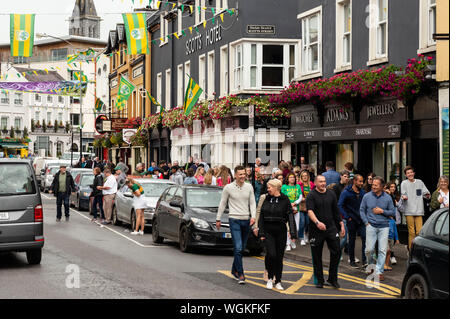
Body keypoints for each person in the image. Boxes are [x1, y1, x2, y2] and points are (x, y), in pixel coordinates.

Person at [216, 166, 256, 285]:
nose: (243, 176)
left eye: (244, 174)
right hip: (234, 220)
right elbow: (222, 203)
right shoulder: (228, 188)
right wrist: (218, 218)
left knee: (242, 248)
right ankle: (241, 274)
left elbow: (253, 203)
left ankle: (234, 270)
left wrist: (253, 216)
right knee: (238, 248)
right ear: (235, 175)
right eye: (240, 174)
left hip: (246, 220)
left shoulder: (249, 187)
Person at [306, 175, 345, 289]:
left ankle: (333, 279)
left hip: (331, 228)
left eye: (324, 181)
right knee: (317, 255)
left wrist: (341, 224)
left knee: (337, 252)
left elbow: (336, 211)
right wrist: (317, 223)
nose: (323, 183)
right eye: (320, 182)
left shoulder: (331, 194)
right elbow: (310, 211)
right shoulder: (311, 195)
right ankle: (319, 280)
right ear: (316, 183)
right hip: (316, 229)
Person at [258, 179, 297, 291]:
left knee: (279, 257)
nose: (268, 189)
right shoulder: (266, 198)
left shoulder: (285, 199)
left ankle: (278, 281)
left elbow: (290, 216)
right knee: (272, 255)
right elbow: (261, 216)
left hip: (281, 231)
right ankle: (270, 278)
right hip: (268, 231)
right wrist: (261, 232)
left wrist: (293, 232)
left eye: (269, 187)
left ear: (276, 188)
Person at [360, 176, 396, 281]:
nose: (373, 186)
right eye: (373, 184)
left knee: (382, 250)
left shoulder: (388, 198)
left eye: (376, 185)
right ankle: (371, 265)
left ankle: (379, 271)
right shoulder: (366, 196)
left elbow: (393, 212)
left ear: (382, 186)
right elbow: (362, 210)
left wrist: (382, 211)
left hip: (384, 226)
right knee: (369, 249)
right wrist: (366, 222)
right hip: (371, 225)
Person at [338, 174, 367, 268]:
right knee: (352, 240)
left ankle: (364, 260)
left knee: (365, 238)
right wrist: (347, 217)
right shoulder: (346, 192)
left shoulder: (363, 192)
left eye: (362, 181)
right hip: (351, 219)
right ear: (354, 181)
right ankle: (352, 261)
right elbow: (340, 205)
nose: (362, 183)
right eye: (360, 181)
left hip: (361, 219)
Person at [400, 166, 431, 250]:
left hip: (419, 210)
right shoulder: (404, 183)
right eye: (408, 173)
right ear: (406, 175)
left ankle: (418, 249)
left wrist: (427, 195)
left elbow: (426, 193)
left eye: (411, 172)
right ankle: (411, 250)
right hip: (409, 211)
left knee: (419, 232)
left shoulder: (420, 182)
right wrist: (404, 197)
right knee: (412, 232)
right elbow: (403, 194)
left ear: (414, 173)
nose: (410, 174)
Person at [281, 173, 302, 251]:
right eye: (290, 177)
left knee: (296, 227)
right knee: (288, 228)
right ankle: (288, 243)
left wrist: (295, 203)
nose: (292, 179)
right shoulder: (284, 187)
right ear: (287, 178)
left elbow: (300, 196)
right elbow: (282, 197)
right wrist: (289, 204)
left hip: (296, 209)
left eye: (293, 177)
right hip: (287, 209)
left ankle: (293, 240)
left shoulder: (298, 186)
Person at [298, 169, 315, 246]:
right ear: (301, 177)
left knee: (308, 222)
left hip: (310, 206)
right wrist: (301, 198)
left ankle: (305, 234)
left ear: (308, 177)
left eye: (306, 176)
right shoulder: (298, 185)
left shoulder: (311, 184)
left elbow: (314, 193)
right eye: (303, 176)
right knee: (302, 222)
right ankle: (301, 238)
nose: (304, 177)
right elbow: (297, 194)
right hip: (301, 206)